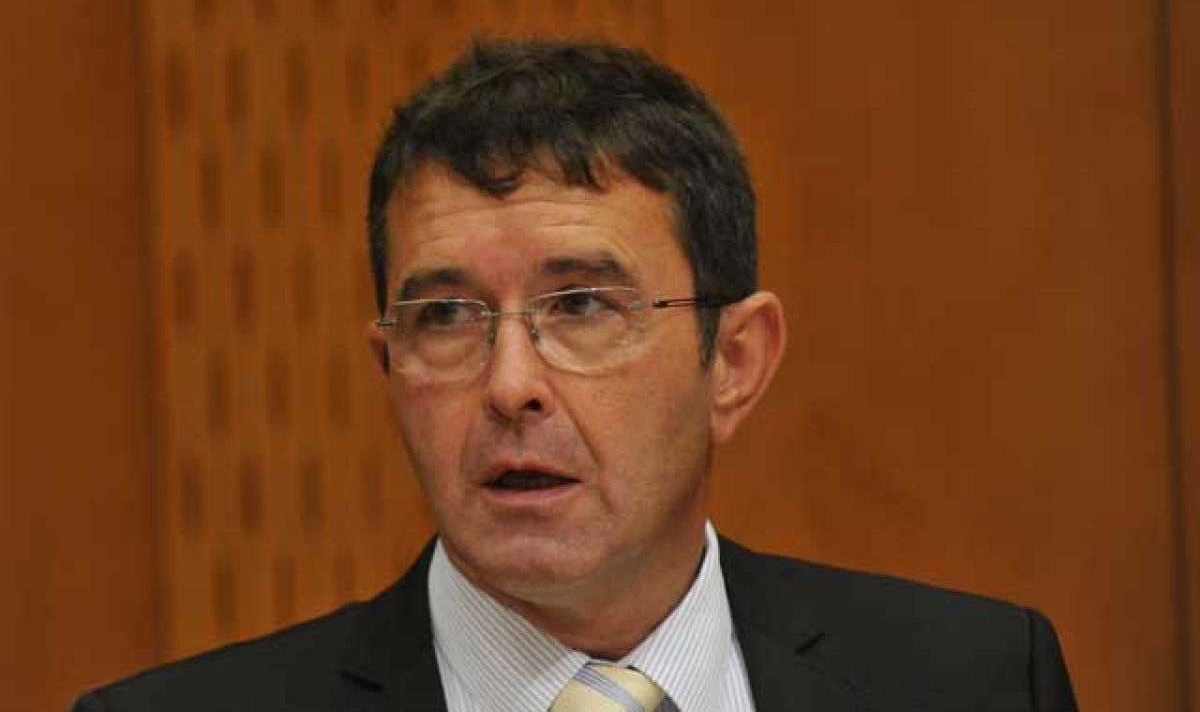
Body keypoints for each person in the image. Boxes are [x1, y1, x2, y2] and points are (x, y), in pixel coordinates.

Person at [74, 38, 1077, 712]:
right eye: (445, 317)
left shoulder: (975, 681)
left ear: (734, 362)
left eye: (583, 306)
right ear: (390, 368)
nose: (510, 384)